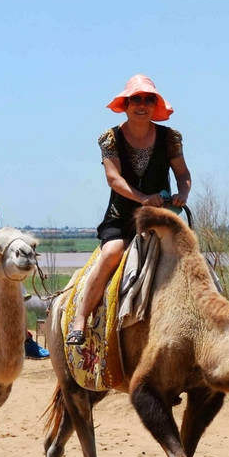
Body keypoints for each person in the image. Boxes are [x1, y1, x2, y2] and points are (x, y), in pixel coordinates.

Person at [66, 74, 191, 345]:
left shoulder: (170, 138)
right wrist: (143, 198)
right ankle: (80, 319)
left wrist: (182, 194)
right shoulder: (110, 138)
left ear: (155, 105)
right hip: (121, 218)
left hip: (159, 218)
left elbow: (182, 174)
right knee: (112, 252)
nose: (142, 104)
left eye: (148, 99)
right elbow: (114, 179)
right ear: (126, 104)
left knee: (189, 258)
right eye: (136, 99)